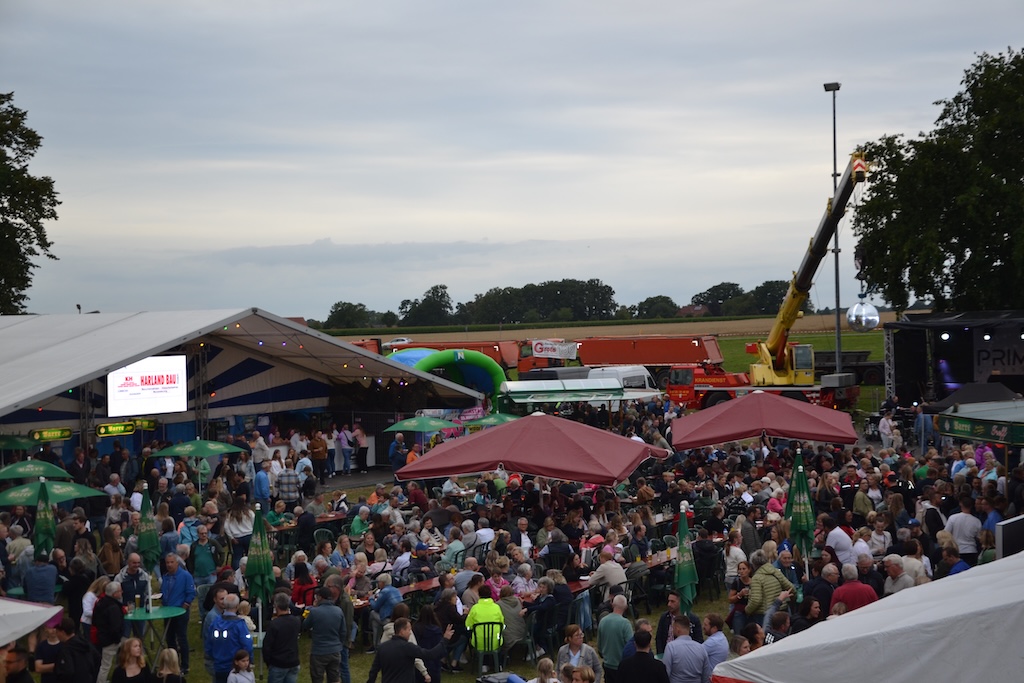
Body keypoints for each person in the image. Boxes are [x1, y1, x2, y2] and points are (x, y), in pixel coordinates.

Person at [365, 617, 454, 683]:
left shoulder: (382, 647)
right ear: (402, 631)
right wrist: (445, 640)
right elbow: (430, 655)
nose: (410, 633)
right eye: (409, 630)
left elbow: (374, 670)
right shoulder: (408, 648)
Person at [302, 587, 347, 683]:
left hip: (319, 651)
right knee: (335, 678)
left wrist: (311, 609)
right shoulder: (338, 611)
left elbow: (305, 625)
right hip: (335, 649)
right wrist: (339, 645)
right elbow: (343, 631)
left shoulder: (314, 612)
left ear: (319, 597)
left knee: (317, 678)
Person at [161, 553, 196, 675]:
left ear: (177, 563)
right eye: (167, 562)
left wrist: (185, 606)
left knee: (181, 638)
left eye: (172, 562)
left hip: (180, 612)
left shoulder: (185, 576)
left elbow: (191, 592)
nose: (169, 565)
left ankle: (185, 666)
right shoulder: (166, 577)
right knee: (169, 638)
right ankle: (172, 663)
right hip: (168, 612)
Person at [207, 593, 254, 683]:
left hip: (219, 666)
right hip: (235, 667)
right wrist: (249, 660)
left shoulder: (215, 622)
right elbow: (247, 645)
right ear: (237, 606)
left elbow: (209, 643)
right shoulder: (240, 625)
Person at [263, 592, 301, 683]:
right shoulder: (296, 621)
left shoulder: (274, 624)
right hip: (293, 661)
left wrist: (268, 661)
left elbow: (267, 646)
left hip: (278, 663)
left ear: (276, 606)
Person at [661, 615, 711, 683]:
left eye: (673, 628)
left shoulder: (671, 647)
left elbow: (665, 674)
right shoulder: (701, 648)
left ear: (677, 629)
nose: (672, 630)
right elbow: (706, 677)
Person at [94, 581, 126, 683]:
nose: (122, 592)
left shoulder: (101, 602)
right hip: (111, 640)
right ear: (114, 594)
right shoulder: (113, 607)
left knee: (106, 664)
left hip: (103, 636)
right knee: (106, 665)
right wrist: (117, 639)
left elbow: (95, 621)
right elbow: (115, 627)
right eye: (120, 591)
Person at [597, 595, 632, 683]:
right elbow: (630, 646)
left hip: (608, 665)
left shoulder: (603, 621)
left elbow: (599, 646)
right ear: (626, 607)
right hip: (622, 666)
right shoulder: (625, 624)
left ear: (612, 604)